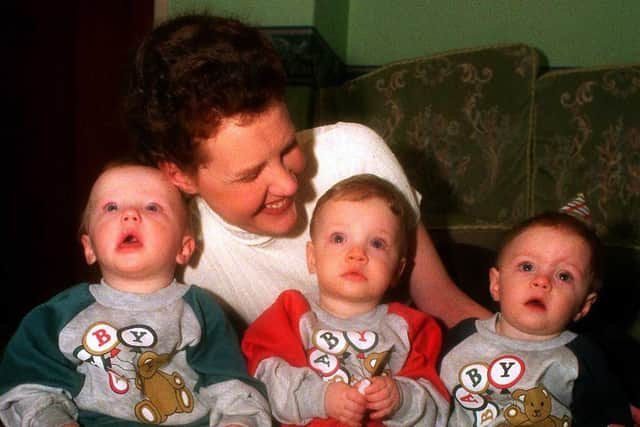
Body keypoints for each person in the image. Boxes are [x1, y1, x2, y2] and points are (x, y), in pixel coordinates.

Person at [124, 12, 490, 331]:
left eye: (287, 148)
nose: (288, 183)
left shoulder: (354, 154)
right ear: (180, 176)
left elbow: (440, 300)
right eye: (251, 175)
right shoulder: (180, 257)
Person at [0, 163, 271, 427]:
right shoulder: (58, 315)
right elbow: (27, 387)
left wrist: (239, 420)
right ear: (89, 247)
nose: (129, 214)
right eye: (111, 207)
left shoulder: (201, 310)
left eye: (152, 207)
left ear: (184, 248)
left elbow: (230, 386)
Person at [242, 174, 450, 426]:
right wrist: (321, 397)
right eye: (339, 238)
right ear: (312, 257)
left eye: (376, 243)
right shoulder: (290, 312)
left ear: (398, 269)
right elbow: (262, 383)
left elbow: (439, 409)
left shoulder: (413, 328)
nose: (357, 254)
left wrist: (401, 398)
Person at [438, 199, 633, 426]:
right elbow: (428, 394)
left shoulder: (581, 359)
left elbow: (612, 415)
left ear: (584, 306)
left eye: (564, 276)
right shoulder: (461, 337)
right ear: (496, 284)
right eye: (527, 267)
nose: (542, 281)